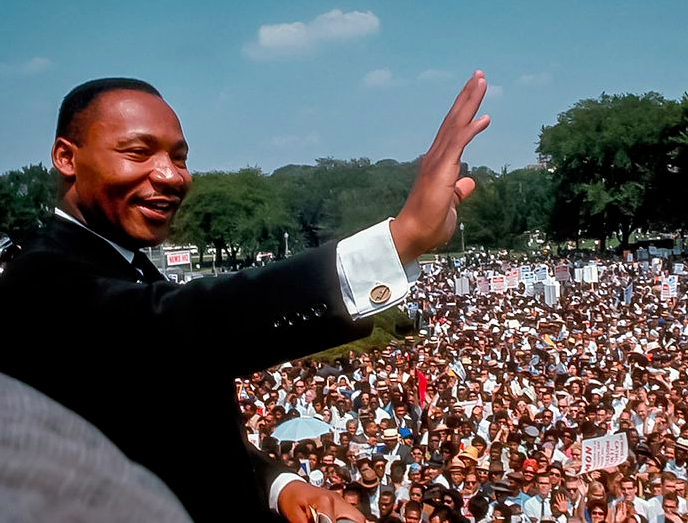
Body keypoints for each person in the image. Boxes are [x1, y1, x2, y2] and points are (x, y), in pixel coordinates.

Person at [0, 73, 489, 522]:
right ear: (67, 158)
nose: (171, 176)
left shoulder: (125, 265)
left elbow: (161, 434)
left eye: (179, 157)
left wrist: (277, 484)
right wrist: (400, 239)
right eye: (138, 152)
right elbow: (180, 327)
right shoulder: (38, 280)